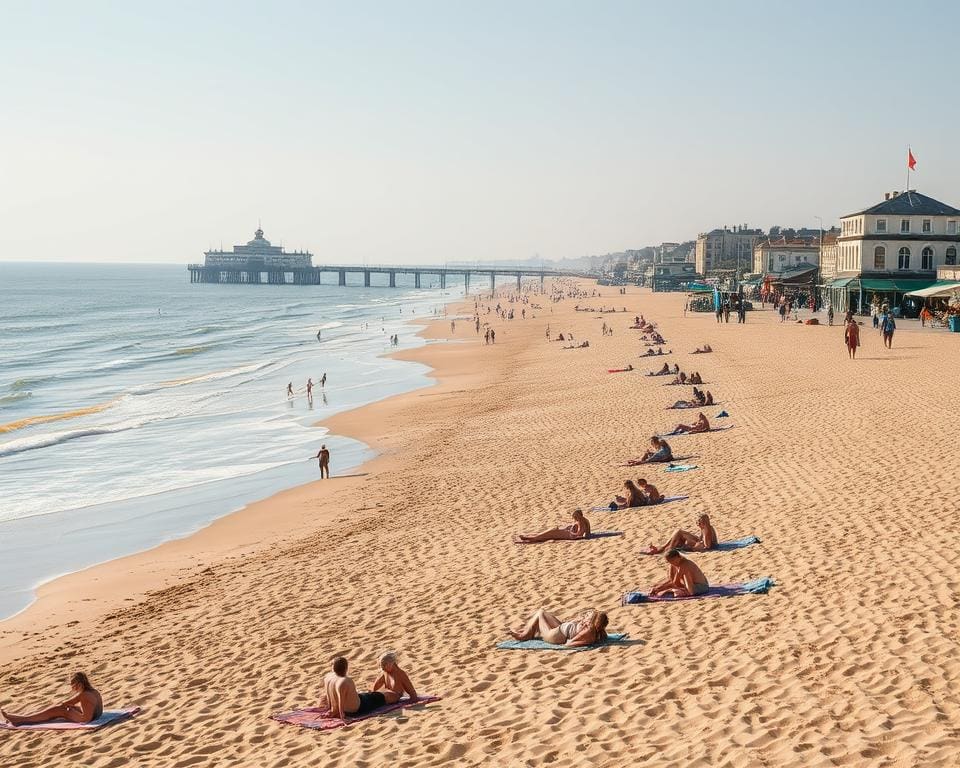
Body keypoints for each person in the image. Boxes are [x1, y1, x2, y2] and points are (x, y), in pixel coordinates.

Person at [2, 673, 103, 726]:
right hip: (95, 717)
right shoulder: (95, 691)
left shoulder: (83, 695)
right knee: (67, 708)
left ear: (80, 684)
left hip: (85, 719)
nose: (73, 689)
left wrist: (63, 707)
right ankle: (23, 717)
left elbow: (65, 703)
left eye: (74, 686)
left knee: (57, 709)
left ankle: (21, 720)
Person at [321, 657, 390, 719]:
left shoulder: (328, 677)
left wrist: (332, 710)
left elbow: (329, 694)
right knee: (386, 695)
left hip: (346, 706)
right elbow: (340, 699)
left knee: (368, 694)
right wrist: (342, 716)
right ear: (346, 668)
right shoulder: (345, 680)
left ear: (333, 668)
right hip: (357, 709)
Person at [508, 608, 609, 647]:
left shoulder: (588, 631)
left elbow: (570, 643)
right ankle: (528, 630)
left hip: (553, 635)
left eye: (589, 616)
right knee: (542, 612)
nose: (587, 615)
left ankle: (524, 635)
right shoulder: (591, 627)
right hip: (560, 628)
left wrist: (569, 641)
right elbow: (602, 634)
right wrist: (577, 621)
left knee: (540, 614)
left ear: (594, 621)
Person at [646, 514, 718, 555]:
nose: (698, 524)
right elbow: (703, 540)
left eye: (699, 522)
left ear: (704, 522)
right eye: (697, 522)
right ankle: (664, 548)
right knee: (679, 533)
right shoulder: (706, 527)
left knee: (679, 534)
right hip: (701, 543)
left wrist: (695, 544)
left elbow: (707, 546)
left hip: (702, 546)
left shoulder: (706, 529)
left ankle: (665, 549)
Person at [517, 508, 591, 542]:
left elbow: (579, 533)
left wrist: (570, 531)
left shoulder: (580, 521)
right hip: (567, 533)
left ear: (577, 515)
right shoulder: (586, 520)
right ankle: (532, 536)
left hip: (568, 534)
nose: (574, 518)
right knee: (548, 534)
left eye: (575, 517)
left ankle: (532, 538)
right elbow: (588, 533)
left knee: (549, 534)